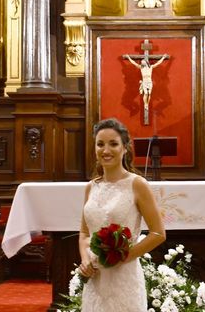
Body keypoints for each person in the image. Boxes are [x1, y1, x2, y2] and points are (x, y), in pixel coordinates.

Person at [78, 118, 166, 311]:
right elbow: (85, 233)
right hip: (96, 278)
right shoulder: (90, 187)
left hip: (124, 276)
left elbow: (158, 233)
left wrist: (122, 257)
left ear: (125, 148)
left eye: (113, 144)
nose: (105, 150)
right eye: (100, 144)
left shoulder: (137, 184)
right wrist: (85, 260)